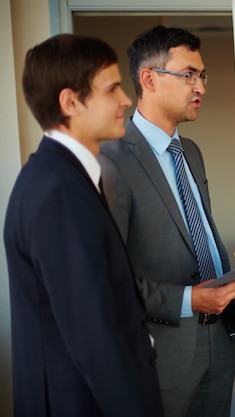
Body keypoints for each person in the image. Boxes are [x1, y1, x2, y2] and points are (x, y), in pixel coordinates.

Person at [4, 33, 163, 417]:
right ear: (70, 102)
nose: (126, 100)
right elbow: (93, 336)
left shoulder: (58, 177)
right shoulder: (59, 191)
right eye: (112, 90)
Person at [97, 25, 235, 417]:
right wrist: (190, 299)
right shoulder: (111, 162)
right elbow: (107, 278)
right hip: (161, 350)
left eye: (202, 76)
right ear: (148, 79)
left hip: (218, 340)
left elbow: (195, 231)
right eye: (188, 75)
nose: (200, 86)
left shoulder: (191, 152)